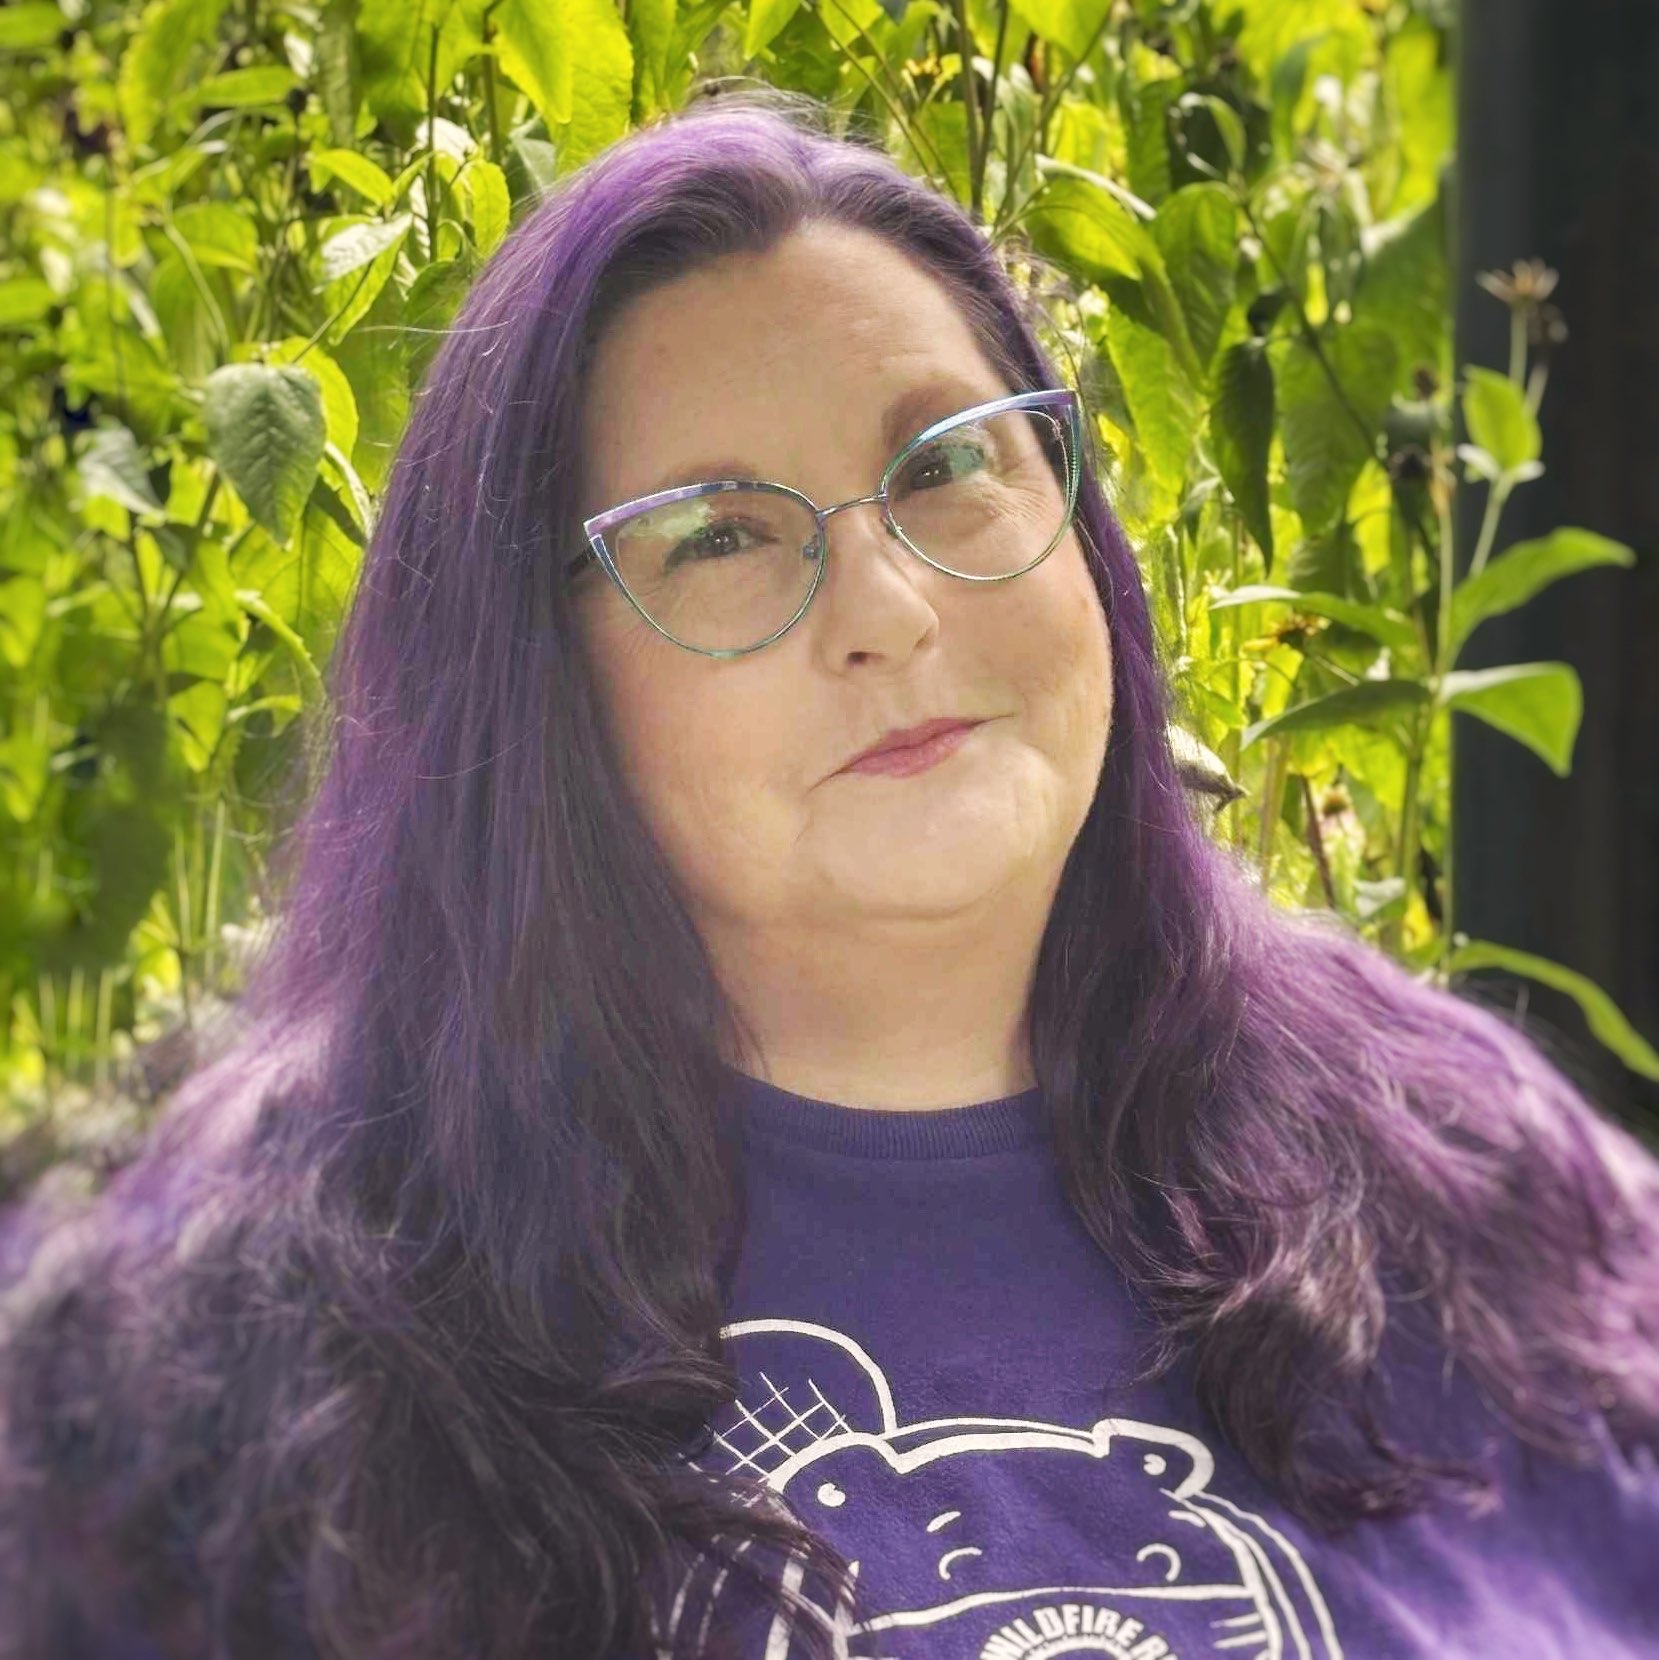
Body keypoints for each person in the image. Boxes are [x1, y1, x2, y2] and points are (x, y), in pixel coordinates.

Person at [2, 87, 1657, 1660]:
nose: (888, 608)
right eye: (719, 537)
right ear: (532, 680)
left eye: (946, 464)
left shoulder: (1468, 1174)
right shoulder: (232, 1358)